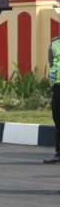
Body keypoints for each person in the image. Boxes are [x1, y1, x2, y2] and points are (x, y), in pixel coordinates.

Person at [43, 34, 60, 163]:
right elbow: (51, 63)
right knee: (58, 118)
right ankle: (58, 153)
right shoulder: (54, 43)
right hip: (58, 87)